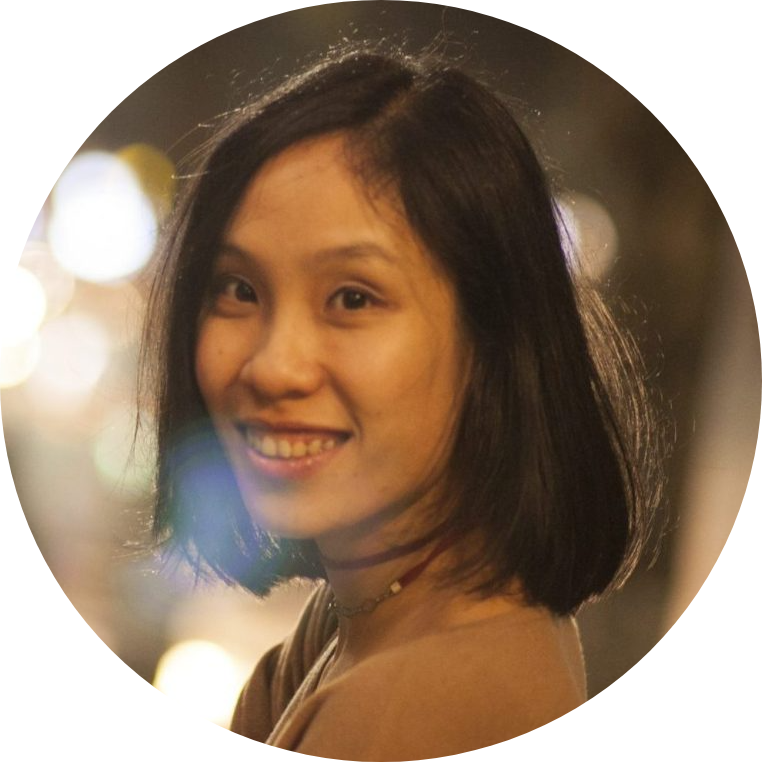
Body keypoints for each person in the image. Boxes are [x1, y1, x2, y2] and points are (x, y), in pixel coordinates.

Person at [140, 46, 661, 758]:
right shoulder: (363, 610)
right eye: (238, 289)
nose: (273, 367)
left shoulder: (420, 701)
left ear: (493, 341)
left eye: (353, 298)